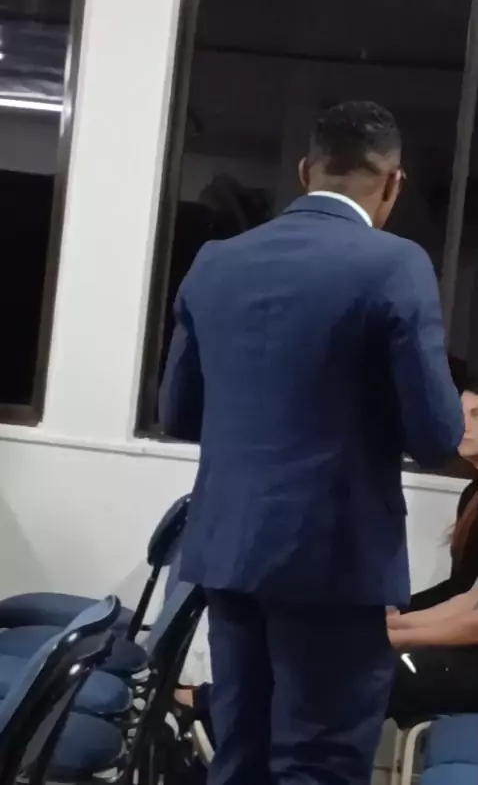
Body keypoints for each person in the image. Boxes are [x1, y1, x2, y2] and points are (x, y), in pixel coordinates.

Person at [159, 101, 464, 785]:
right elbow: (436, 434)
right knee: (318, 765)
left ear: (305, 171)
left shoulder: (217, 260)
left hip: (229, 553)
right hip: (335, 562)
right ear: (393, 183)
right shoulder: (396, 265)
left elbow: (178, 412)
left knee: (240, 755)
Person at [387, 378, 478, 722]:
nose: (464, 423)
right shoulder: (471, 496)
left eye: (477, 415)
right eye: (461, 413)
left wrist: (398, 637)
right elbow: (466, 597)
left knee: (379, 671)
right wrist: (395, 624)